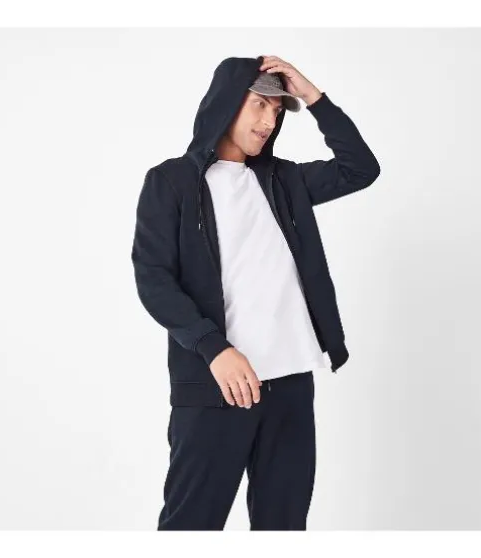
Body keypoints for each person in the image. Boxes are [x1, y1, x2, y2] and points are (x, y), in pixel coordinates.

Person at [131, 54, 380, 530]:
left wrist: (313, 96)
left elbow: (361, 169)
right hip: (216, 386)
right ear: (226, 102)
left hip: (290, 383)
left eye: (278, 111)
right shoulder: (171, 182)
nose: (269, 121)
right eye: (260, 105)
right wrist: (213, 348)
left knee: (283, 528)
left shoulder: (284, 181)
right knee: (191, 526)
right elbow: (153, 277)